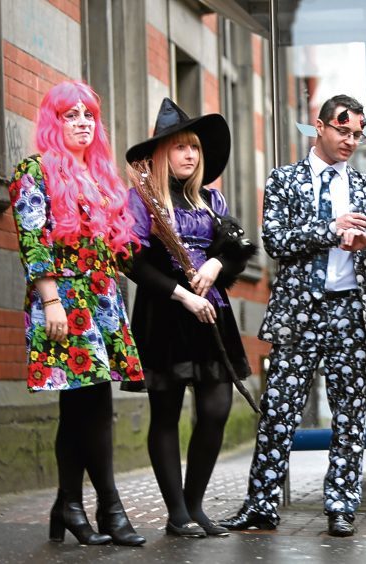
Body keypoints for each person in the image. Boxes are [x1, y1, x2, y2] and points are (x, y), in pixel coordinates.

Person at [219, 94, 366, 537]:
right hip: (300, 311)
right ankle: (261, 504)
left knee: (350, 412)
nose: (350, 140)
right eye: (342, 130)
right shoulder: (284, 180)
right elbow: (276, 241)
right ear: (319, 126)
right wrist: (331, 229)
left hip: (352, 311)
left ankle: (341, 505)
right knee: (279, 410)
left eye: (358, 133)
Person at [8, 80, 145, 546]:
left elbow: (119, 248)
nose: (83, 123)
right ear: (55, 122)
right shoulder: (35, 170)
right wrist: (50, 301)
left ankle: (71, 504)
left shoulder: (104, 175)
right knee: (86, 403)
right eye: (72, 116)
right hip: (63, 299)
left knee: (87, 407)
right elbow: (32, 239)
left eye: (88, 115)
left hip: (103, 299)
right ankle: (107, 506)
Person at [124, 98, 256, 538]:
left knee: (216, 408)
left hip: (211, 317)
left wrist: (216, 266)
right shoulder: (143, 199)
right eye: (180, 147)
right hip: (165, 315)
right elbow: (134, 262)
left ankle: (195, 505)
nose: (189, 155)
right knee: (166, 414)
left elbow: (238, 246)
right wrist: (183, 294)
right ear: (161, 154)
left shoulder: (211, 200)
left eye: (195, 148)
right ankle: (176, 511)